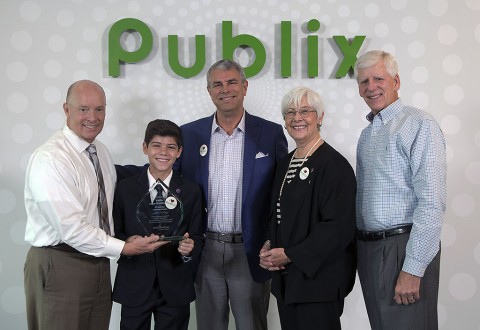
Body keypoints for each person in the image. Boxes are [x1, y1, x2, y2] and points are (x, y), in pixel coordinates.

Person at [23, 80, 165, 330]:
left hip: (98, 262)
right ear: (66, 110)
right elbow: (71, 229)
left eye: (100, 109)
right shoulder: (52, 159)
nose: (93, 117)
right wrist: (124, 248)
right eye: (84, 109)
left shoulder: (100, 151)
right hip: (60, 263)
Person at [175, 59, 288, 330]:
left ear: (245, 87)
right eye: (217, 84)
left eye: (231, 82)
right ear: (209, 91)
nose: (225, 89)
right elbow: (172, 182)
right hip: (206, 250)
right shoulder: (189, 135)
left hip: (251, 251)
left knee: (252, 325)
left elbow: (282, 194)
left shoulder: (271, 134)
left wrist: (273, 240)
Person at [354, 50, 447, 329]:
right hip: (369, 251)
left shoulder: (419, 124)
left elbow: (431, 202)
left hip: (403, 248)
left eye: (378, 78)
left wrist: (413, 268)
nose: (371, 87)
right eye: (364, 81)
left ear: (397, 81)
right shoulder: (367, 134)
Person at [259, 86, 357, 330]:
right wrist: (269, 246)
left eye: (305, 111)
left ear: (320, 117)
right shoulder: (284, 164)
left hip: (318, 283)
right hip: (288, 283)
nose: (297, 118)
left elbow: (338, 228)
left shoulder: (334, 165)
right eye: (290, 112)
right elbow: (277, 215)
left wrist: (291, 254)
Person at [112, 119, 205, 330]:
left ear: (179, 151)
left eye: (171, 147)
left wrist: (190, 248)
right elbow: (114, 231)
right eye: (156, 145)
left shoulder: (191, 191)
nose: (163, 152)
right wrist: (127, 242)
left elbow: (198, 235)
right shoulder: (124, 189)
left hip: (175, 283)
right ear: (145, 148)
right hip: (135, 281)